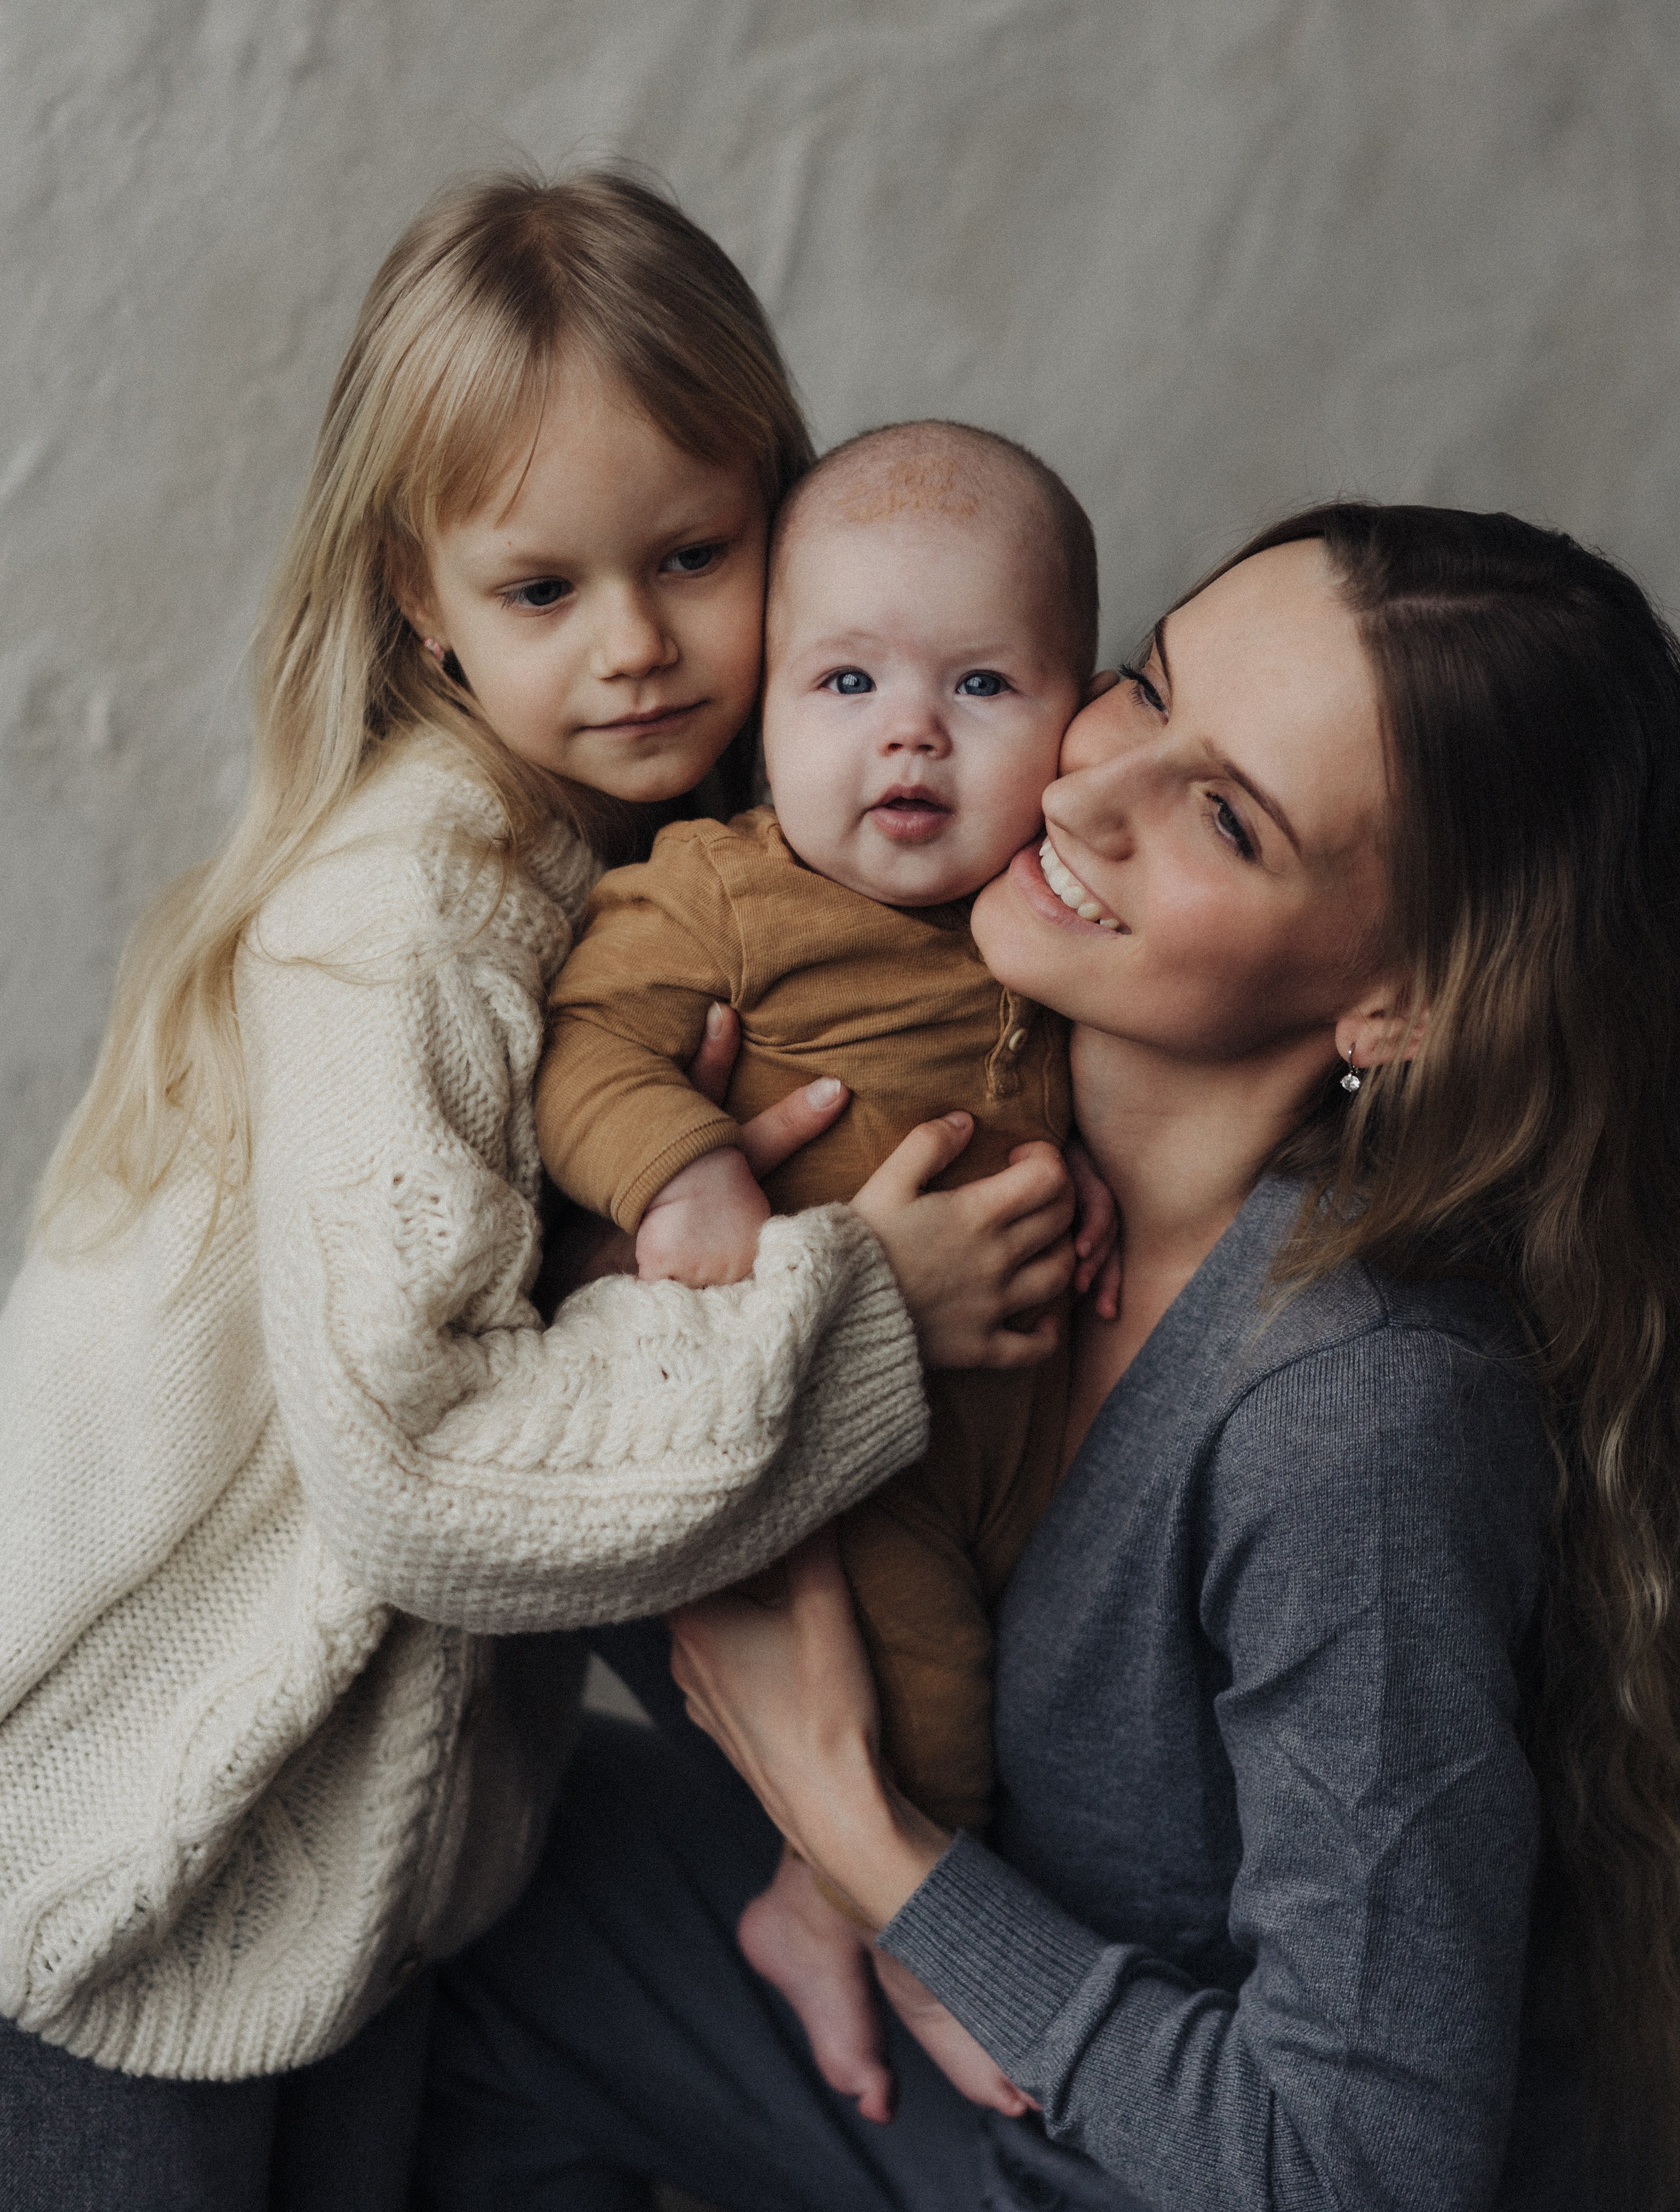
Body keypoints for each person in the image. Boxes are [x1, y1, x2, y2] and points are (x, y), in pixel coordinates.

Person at [0, 173, 1082, 2212]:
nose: (641, 647)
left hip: (376, 1893)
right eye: (541, 591)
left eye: (694, 555)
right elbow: (422, 1476)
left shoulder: (688, 877)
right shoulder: (414, 910)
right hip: (131, 1888)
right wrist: (865, 1307)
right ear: (420, 598)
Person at [418, 504, 1680, 2210]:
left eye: (1224, 813)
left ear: (1402, 1003)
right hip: (959, 2033)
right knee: (435, 1878)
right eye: (1146, 687)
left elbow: (1358, 2174)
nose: (1085, 797)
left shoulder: (1357, 1420)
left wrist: (864, 1841)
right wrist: (638, 1233)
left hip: (1142, 2163)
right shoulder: (921, 1028)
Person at [537, 419, 1118, 2122]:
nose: (911, 734)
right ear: (767, 705)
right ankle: (891, 1929)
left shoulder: (1050, 912)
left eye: (986, 689)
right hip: (847, 1454)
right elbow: (588, 1053)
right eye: (845, 682)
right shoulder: (720, 893)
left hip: (1018, 1440)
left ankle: (816, 1905)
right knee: (926, 1708)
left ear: (1080, 713)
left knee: (1022, 1703)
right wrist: (688, 1171)